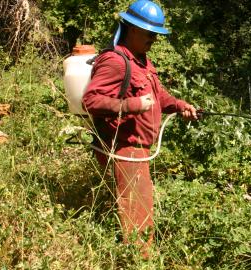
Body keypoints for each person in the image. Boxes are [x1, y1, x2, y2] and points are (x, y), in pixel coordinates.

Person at [82, 0, 198, 258]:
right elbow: (90, 101)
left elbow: (160, 97)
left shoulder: (143, 61)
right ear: (133, 29)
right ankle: (139, 262)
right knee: (138, 222)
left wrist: (180, 106)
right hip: (126, 149)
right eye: (149, 33)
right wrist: (133, 104)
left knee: (139, 214)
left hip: (140, 151)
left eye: (156, 34)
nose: (154, 39)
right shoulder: (115, 61)